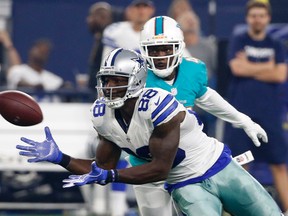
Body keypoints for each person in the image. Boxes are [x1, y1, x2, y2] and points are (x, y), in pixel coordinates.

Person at [16, 48, 283, 216]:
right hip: (185, 185)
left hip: (219, 167)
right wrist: (61, 158)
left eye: (117, 80)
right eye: (105, 80)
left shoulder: (157, 105)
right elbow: (103, 166)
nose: (109, 86)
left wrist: (111, 175)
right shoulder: (103, 116)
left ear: (137, 81)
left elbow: (159, 169)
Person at [126, 15, 269, 216]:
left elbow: (206, 96)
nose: (161, 55)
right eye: (154, 50)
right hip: (149, 165)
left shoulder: (192, 70)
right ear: (143, 51)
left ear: (179, 47)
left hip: (189, 162)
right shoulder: (134, 78)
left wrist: (242, 119)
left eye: (167, 48)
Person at [223, 1, 288, 215]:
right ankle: (237, 210)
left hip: (270, 115)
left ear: (268, 18)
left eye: (261, 15)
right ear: (248, 18)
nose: (257, 19)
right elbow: (236, 68)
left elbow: (280, 75)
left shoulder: (276, 44)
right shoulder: (239, 40)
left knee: (279, 164)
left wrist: (249, 67)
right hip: (241, 114)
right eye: (253, 15)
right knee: (241, 163)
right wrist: (267, 66)